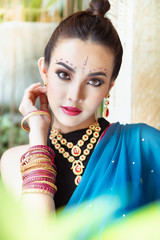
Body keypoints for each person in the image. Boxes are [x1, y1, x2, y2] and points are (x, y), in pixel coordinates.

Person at [0, 0, 160, 229]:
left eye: (94, 81)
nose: (75, 95)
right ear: (44, 71)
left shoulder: (142, 145)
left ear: (109, 87)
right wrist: (37, 137)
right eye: (64, 75)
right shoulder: (14, 161)